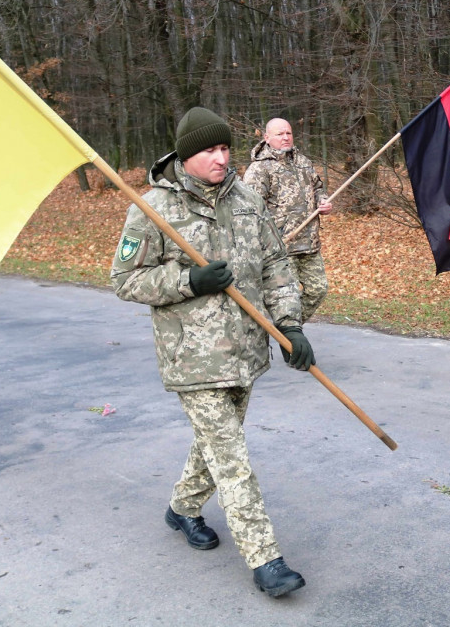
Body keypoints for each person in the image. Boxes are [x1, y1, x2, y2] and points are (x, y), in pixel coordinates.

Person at [111, 107, 314, 598]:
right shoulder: (154, 207)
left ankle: (181, 509)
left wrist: (289, 324)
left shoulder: (246, 198)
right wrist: (188, 280)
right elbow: (125, 280)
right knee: (230, 454)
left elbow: (276, 265)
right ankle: (265, 559)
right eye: (211, 150)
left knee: (214, 442)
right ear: (187, 155)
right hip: (193, 357)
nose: (222, 157)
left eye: (226, 148)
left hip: (245, 349)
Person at [244, 118, 332, 323]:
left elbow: (318, 188)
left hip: (309, 244)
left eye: (288, 133)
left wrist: (324, 201)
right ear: (266, 138)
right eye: (279, 134)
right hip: (281, 249)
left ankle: (289, 329)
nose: (285, 138)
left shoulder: (302, 162)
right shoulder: (259, 170)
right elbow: (251, 212)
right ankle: (291, 339)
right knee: (287, 299)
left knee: (318, 290)